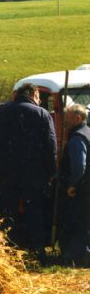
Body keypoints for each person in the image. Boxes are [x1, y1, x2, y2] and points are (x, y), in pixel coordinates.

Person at [0, 83, 57, 262]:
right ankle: (37, 250)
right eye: (39, 97)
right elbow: (50, 145)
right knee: (34, 211)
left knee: (8, 211)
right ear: (33, 94)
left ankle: (8, 250)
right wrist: (50, 171)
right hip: (34, 172)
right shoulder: (42, 114)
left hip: (8, 171)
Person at [58, 103, 90, 267]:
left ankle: (81, 257)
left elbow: (79, 166)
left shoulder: (77, 138)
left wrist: (72, 184)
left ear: (77, 118)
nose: (65, 120)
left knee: (79, 221)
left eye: (68, 117)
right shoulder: (88, 132)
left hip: (81, 188)